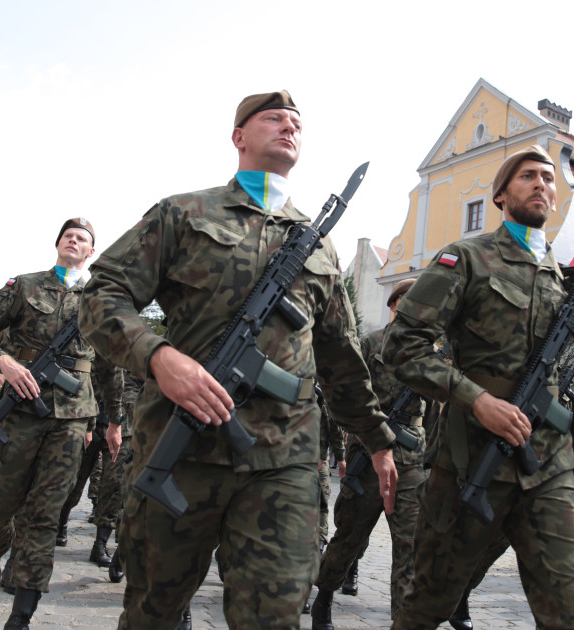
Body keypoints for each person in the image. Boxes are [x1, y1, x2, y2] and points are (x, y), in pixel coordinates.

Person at [79, 90, 399, 630]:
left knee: (275, 616)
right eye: (273, 118)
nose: (288, 127)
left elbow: (342, 359)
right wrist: (158, 357)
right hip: (182, 448)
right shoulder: (183, 213)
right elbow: (102, 294)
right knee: (153, 609)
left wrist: (378, 439)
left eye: (296, 121)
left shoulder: (319, 246)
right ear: (238, 137)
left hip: (284, 458)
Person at [383, 144, 574, 629]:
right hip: (469, 459)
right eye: (527, 176)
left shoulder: (559, 277)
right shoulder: (467, 258)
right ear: (501, 195)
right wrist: (475, 399)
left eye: (548, 177)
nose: (541, 184)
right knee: (428, 602)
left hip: (547, 464)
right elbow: (401, 348)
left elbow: (558, 386)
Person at [0, 217, 101, 629]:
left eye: (83, 239)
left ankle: (22, 614)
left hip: (72, 417)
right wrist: (3, 361)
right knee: (0, 504)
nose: (75, 242)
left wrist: (112, 422)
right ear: (58, 244)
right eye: (69, 236)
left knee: (45, 514)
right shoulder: (24, 286)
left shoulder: (100, 297)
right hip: (22, 409)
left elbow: (111, 364)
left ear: (91, 252)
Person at [310, 278, 428, 628]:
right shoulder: (369, 344)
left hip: (411, 463)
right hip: (369, 456)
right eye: (409, 301)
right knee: (349, 538)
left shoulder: (428, 352)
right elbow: (345, 396)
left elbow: (437, 410)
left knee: (410, 546)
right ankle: (325, 595)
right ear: (393, 305)